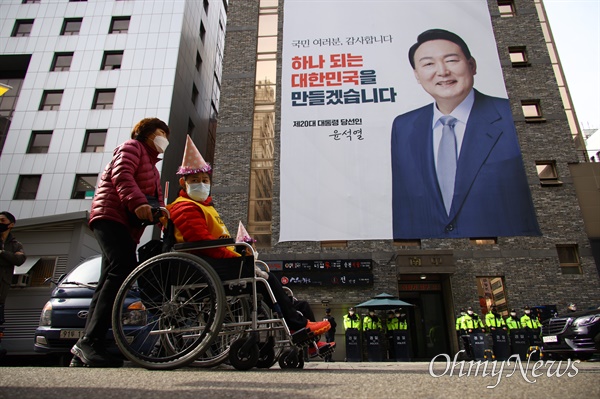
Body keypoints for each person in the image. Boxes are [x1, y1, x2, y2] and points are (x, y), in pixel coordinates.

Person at [166, 136, 333, 357]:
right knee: (265, 278)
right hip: (204, 264)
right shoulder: (184, 207)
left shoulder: (203, 207)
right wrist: (237, 257)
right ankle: (298, 326)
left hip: (213, 261)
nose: (202, 184)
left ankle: (299, 327)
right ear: (183, 183)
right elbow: (204, 245)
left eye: (205, 180)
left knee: (269, 281)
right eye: (196, 179)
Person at [391, 28, 540, 239]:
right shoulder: (404, 126)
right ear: (417, 75)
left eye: (451, 60)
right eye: (428, 64)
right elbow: (403, 204)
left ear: (472, 65)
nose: (442, 72)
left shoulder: (511, 115)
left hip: (507, 249)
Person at [70, 117, 171, 367]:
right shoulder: (131, 147)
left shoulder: (153, 167)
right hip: (110, 215)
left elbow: (155, 201)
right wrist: (137, 203)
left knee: (109, 277)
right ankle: (90, 341)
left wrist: (165, 220)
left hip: (125, 225)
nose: (164, 140)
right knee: (121, 269)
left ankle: (87, 345)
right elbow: (122, 174)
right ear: (145, 134)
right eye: (160, 133)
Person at [0, 211, 26, 356]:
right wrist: (8, 257)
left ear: (11, 224)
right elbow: (14, 259)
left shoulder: (16, 244)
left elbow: (19, 260)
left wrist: (2, 253)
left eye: (2, 221)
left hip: (2, 287)